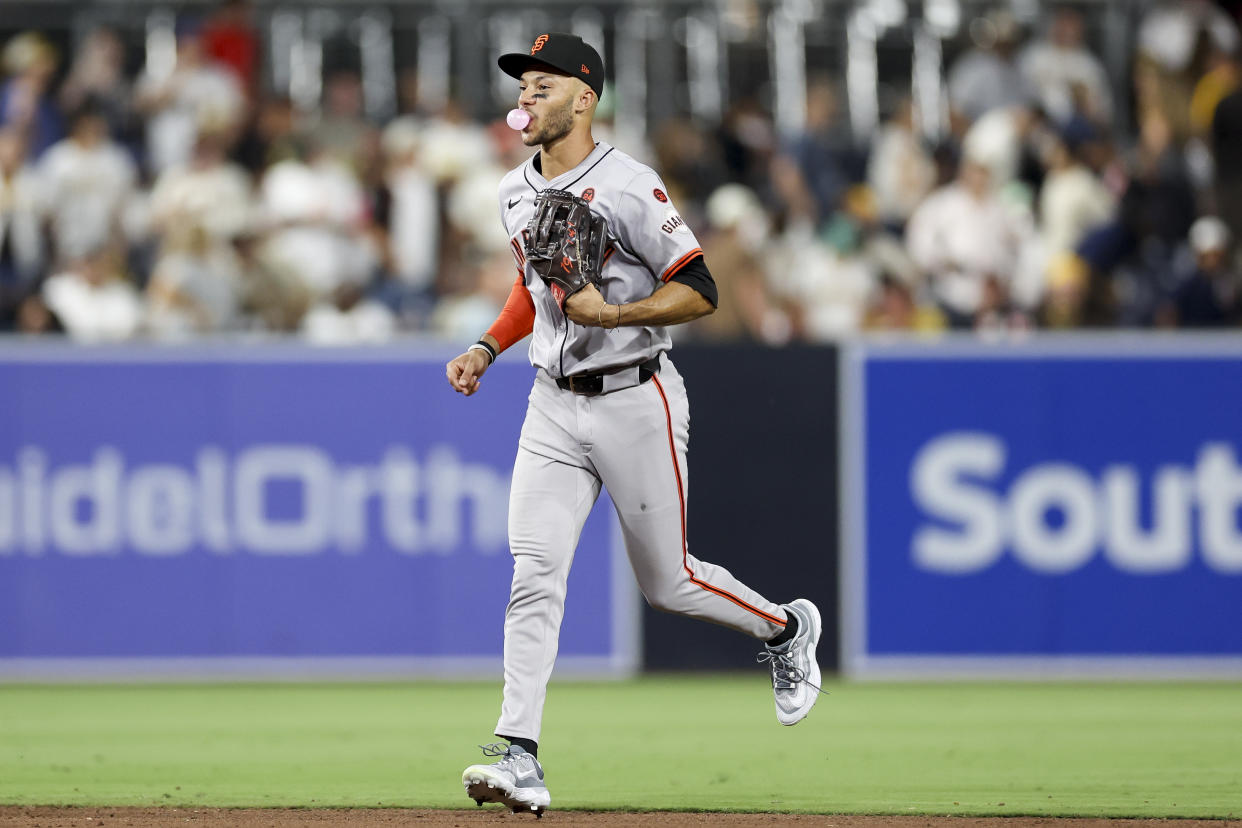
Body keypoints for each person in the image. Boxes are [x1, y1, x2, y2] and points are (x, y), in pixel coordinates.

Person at [444, 33, 823, 817]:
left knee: (668, 583)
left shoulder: (629, 185)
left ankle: (785, 631)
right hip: (551, 398)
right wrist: (488, 344)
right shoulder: (515, 189)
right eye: (523, 87)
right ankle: (519, 753)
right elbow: (534, 288)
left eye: (542, 87)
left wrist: (616, 312)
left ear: (585, 99)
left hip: (634, 396)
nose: (526, 98)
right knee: (534, 574)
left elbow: (701, 288)